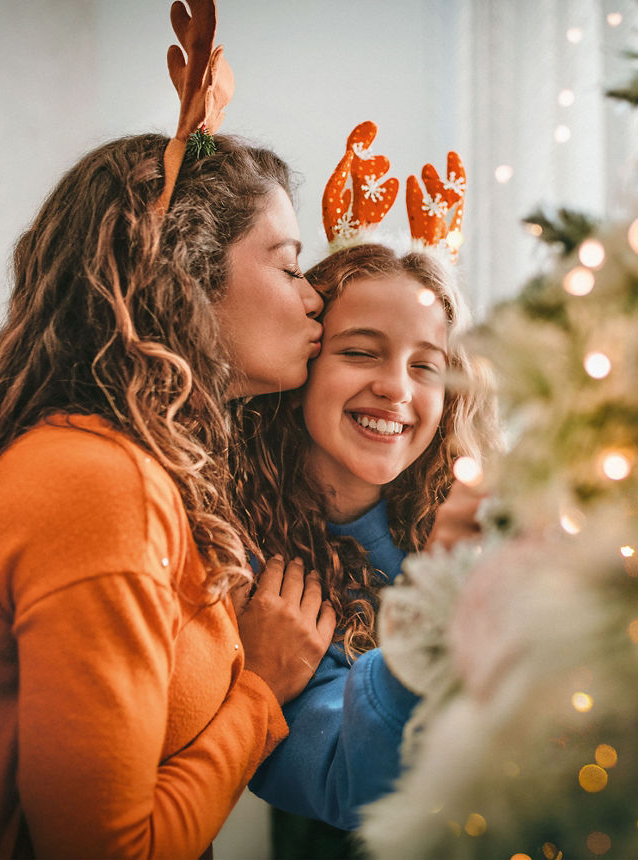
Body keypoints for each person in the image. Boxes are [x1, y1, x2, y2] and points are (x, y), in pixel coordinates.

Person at [0, 126, 339, 859]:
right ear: (186, 271)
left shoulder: (135, 466)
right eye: (290, 266)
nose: (315, 302)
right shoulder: (101, 485)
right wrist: (261, 692)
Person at [233, 241, 499, 838]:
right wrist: (430, 619)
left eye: (424, 365)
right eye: (359, 352)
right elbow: (345, 780)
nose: (396, 389)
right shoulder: (251, 575)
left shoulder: (472, 520)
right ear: (300, 365)